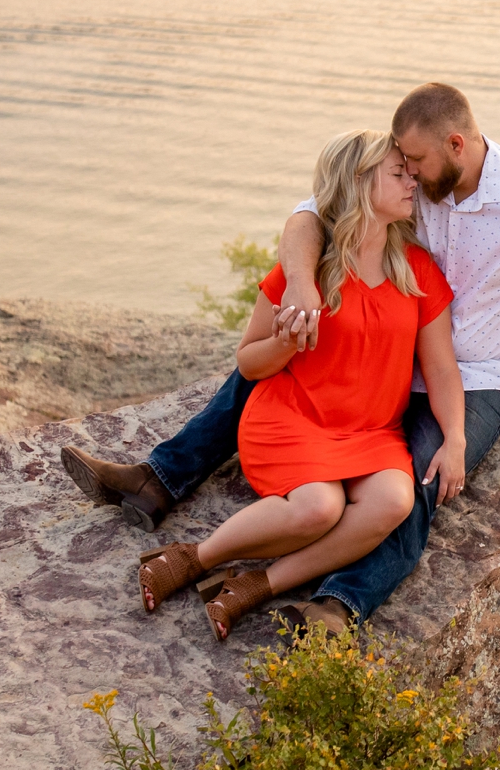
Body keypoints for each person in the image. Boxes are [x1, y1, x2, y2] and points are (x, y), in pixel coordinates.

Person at [62, 81, 500, 630]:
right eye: (401, 165)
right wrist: (299, 284)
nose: (408, 172)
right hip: (386, 349)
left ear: (456, 145)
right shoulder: (412, 187)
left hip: (476, 372)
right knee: (266, 369)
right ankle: (159, 480)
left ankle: (338, 602)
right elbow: (314, 213)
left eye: (414, 162)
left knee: (422, 476)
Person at [135, 129, 462, 639]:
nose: (412, 181)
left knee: (394, 502)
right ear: (358, 183)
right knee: (319, 507)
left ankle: (254, 586)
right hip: (294, 418)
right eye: (398, 174)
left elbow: (441, 369)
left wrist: (456, 439)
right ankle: (194, 559)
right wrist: (288, 342)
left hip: (372, 433)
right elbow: (248, 363)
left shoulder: (415, 269)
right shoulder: (308, 270)